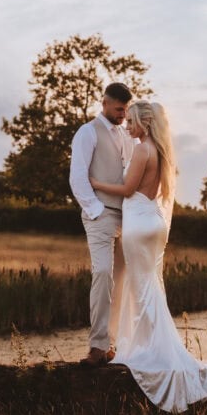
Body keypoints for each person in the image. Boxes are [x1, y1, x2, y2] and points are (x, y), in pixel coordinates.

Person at [90, 100, 207, 413]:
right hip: (154, 223)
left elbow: (127, 188)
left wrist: (95, 183)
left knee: (142, 287)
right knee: (150, 285)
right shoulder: (162, 152)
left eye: (132, 121)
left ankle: (154, 350)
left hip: (137, 224)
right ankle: (154, 345)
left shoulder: (141, 150)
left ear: (144, 124)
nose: (129, 126)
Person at [69, 82, 135, 366]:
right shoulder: (87, 132)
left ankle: (112, 345)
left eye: (125, 110)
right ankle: (97, 346)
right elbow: (78, 176)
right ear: (105, 103)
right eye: (119, 109)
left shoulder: (125, 134)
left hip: (127, 218)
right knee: (103, 274)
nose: (122, 115)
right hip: (100, 215)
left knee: (120, 281)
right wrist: (95, 210)